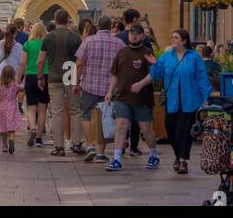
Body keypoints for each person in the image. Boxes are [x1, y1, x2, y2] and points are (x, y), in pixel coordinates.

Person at [141, 29, 212, 175]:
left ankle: (182, 160)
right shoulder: (166, 56)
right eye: (171, 37)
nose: (172, 40)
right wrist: (154, 64)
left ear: (184, 41)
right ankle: (178, 155)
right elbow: (157, 75)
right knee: (170, 129)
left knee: (184, 131)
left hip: (189, 101)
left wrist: (205, 98)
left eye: (175, 37)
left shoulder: (194, 57)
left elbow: (201, 78)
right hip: (172, 100)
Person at [104, 21, 160, 172]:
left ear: (142, 36)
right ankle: (116, 159)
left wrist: (141, 84)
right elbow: (114, 74)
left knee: (146, 130)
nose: (134, 38)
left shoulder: (147, 52)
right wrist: (110, 91)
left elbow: (153, 74)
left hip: (142, 99)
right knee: (121, 126)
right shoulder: (122, 52)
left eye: (137, 35)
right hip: (123, 97)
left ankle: (154, 154)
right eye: (131, 34)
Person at [75, 14, 123, 163]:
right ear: (110, 27)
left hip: (90, 84)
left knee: (86, 115)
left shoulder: (88, 41)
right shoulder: (119, 43)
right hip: (110, 88)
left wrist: (76, 82)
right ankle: (101, 153)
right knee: (105, 117)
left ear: (97, 26)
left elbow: (79, 63)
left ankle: (90, 146)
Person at [37, 8, 83, 157]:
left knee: (56, 112)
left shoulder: (48, 37)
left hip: (54, 76)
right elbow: (80, 61)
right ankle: (76, 144)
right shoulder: (76, 38)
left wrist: (40, 77)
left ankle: (59, 147)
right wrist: (78, 79)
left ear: (55, 20)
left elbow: (40, 60)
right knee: (75, 110)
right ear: (68, 20)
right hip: (70, 74)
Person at [22, 21, 48, 147]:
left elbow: (23, 63)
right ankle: (38, 138)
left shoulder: (28, 44)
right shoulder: (46, 44)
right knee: (43, 108)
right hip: (45, 75)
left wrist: (18, 77)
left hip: (31, 75)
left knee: (31, 108)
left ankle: (32, 128)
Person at [0, 63, 25, 153]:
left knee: (2, 127)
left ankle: (4, 146)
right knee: (11, 127)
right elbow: (22, 88)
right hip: (12, 107)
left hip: (2, 107)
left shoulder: (0, 85)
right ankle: (11, 139)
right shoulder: (14, 84)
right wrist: (24, 79)